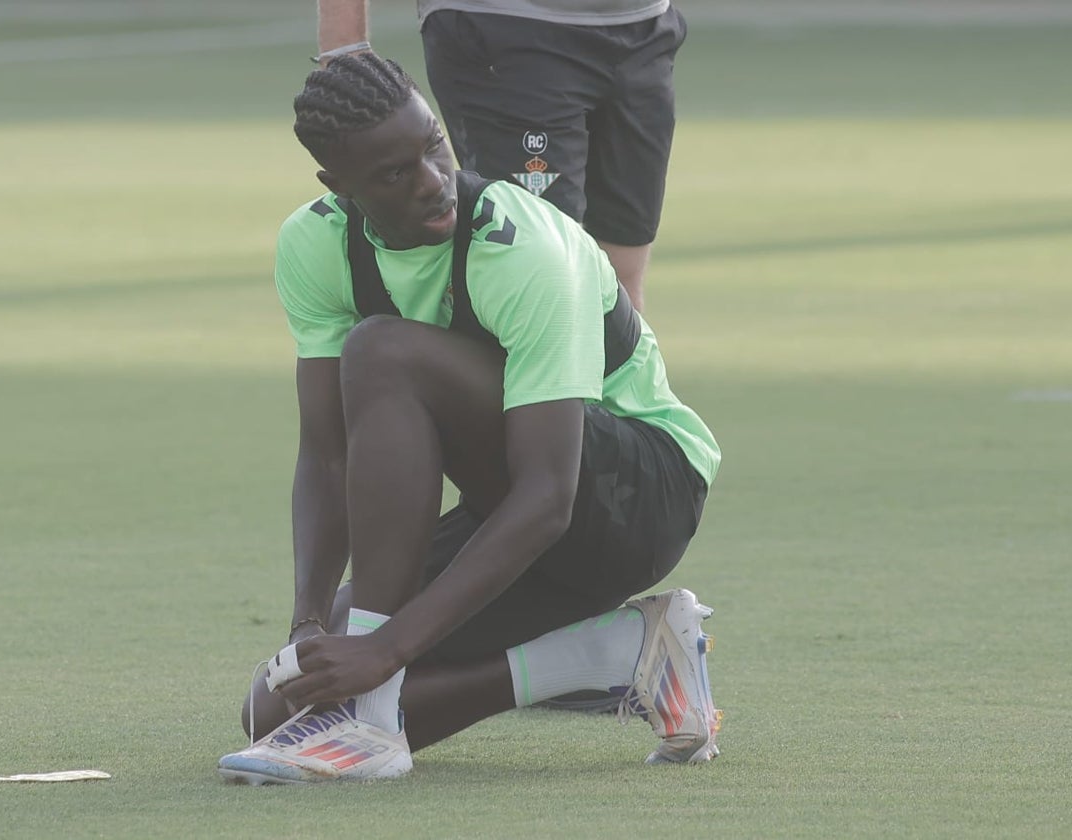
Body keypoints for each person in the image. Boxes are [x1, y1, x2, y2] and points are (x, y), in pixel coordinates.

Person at [216, 51, 721, 784]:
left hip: (635, 496)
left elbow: (550, 495)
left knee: (381, 352)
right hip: (512, 507)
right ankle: (623, 655)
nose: (431, 181)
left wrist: (381, 651)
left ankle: (370, 716)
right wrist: (310, 625)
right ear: (340, 187)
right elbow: (326, 455)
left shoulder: (523, 251)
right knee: (275, 710)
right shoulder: (316, 244)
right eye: (393, 173)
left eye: (432, 146)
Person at [316, 0, 689, 313]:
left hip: (643, 27)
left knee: (619, 276)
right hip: (507, 24)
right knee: (539, 274)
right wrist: (344, 45)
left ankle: (613, 401)